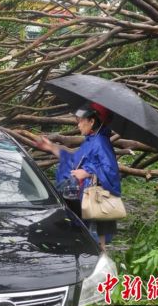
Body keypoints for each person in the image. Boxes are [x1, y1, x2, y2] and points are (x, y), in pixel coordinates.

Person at [35, 102, 121, 251]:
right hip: (82, 196)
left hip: (93, 199)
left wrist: (88, 172)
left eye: (80, 121)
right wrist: (51, 147)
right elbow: (75, 161)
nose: (78, 125)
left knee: (92, 239)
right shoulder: (91, 140)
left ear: (92, 121)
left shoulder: (100, 142)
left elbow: (111, 170)